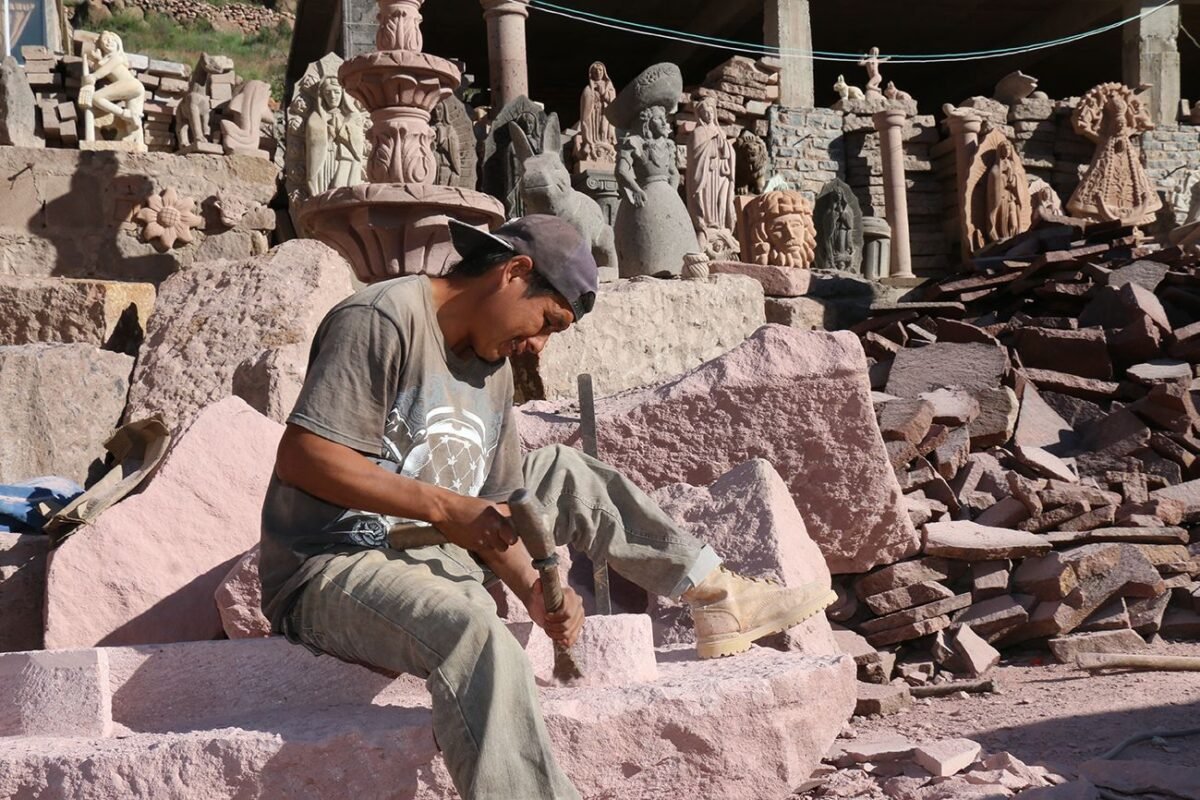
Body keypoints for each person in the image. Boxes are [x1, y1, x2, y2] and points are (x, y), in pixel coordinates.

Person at [260, 214, 835, 800]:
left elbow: (501, 510)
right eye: (547, 322)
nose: (537, 345)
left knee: (563, 469)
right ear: (514, 272)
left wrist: (531, 589)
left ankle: (716, 596)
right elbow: (305, 457)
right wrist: (443, 508)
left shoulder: (494, 368)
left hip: (437, 555)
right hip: (337, 562)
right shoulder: (383, 319)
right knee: (473, 632)